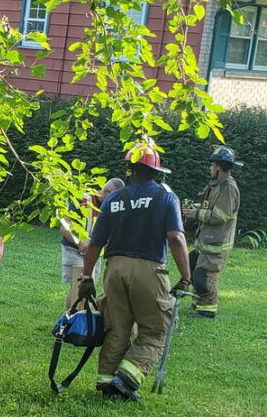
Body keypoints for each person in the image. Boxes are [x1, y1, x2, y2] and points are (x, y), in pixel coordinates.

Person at [79, 143, 191, 402]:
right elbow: (175, 237)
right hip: (149, 270)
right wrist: (186, 277)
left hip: (114, 269)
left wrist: (86, 277)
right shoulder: (165, 197)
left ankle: (106, 382)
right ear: (156, 172)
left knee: (117, 328)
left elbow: (96, 242)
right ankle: (127, 379)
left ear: (130, 170)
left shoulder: (113, 199)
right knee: (155, 330)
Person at [181, 146, 241, 319]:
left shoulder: (228, 188)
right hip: (206, 240)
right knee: (193, 265)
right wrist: (195, 208)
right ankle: (199, 301)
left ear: (219, 167)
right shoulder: (216, 185)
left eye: (212, 165)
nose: (210, 168)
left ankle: (207, 310)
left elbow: (219, 216)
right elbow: (210, 206)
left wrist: (195, 214)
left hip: (217, 243)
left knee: (204, 275)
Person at [60, 178, 125, 309]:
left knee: (83, 286)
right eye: (114, 197)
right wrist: (79, 242)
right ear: (106, 192)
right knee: (80, 286)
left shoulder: (111, 206)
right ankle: (76, 325)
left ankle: (68, 320)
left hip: (94, 254)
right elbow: (64, 226)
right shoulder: (83, 199)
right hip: (74, 249)